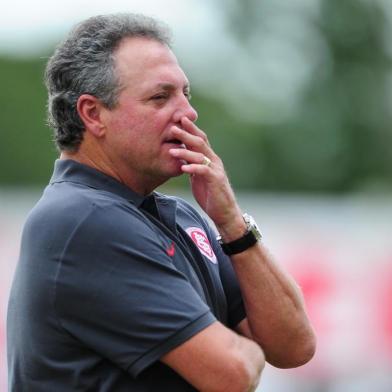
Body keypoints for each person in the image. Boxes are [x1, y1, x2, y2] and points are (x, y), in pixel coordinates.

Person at [7, 13, 316, 392]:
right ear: (92, 114)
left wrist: (232, 223)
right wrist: (248, 347)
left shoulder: (181, 214)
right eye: (160, 97)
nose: (188, 113)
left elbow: (294, 347)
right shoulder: (83, 218)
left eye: (186, 94)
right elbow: (233, 373)